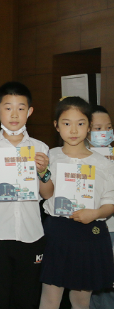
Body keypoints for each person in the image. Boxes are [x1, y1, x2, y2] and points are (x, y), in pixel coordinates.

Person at [0, 82, 51, 308]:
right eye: (8, 108)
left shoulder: (40, 148)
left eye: (21, 108)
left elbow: (48, 193)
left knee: (27, 299)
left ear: (30, 111)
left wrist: (43, 172)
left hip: (31, 234)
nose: (14, 114)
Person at [38, 98, 114, 309]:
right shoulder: (50, 156)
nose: (73, 130)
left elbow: (110, 202)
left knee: (81, 300)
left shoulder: (103, 163)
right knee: (50, 297)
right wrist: (43, 173)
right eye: (66, 123)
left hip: (89, 233)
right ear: (56, 125)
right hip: (57, 231)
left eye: (80, 123)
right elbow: (46, 194)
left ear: (89, 126)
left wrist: (95, 213)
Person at [90, 105, 114, 309]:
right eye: (98, 129)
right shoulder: (79, 158)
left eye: (109, 127)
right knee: (91, 285)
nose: (104, 133)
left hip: (112, 227)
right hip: (90, 228)